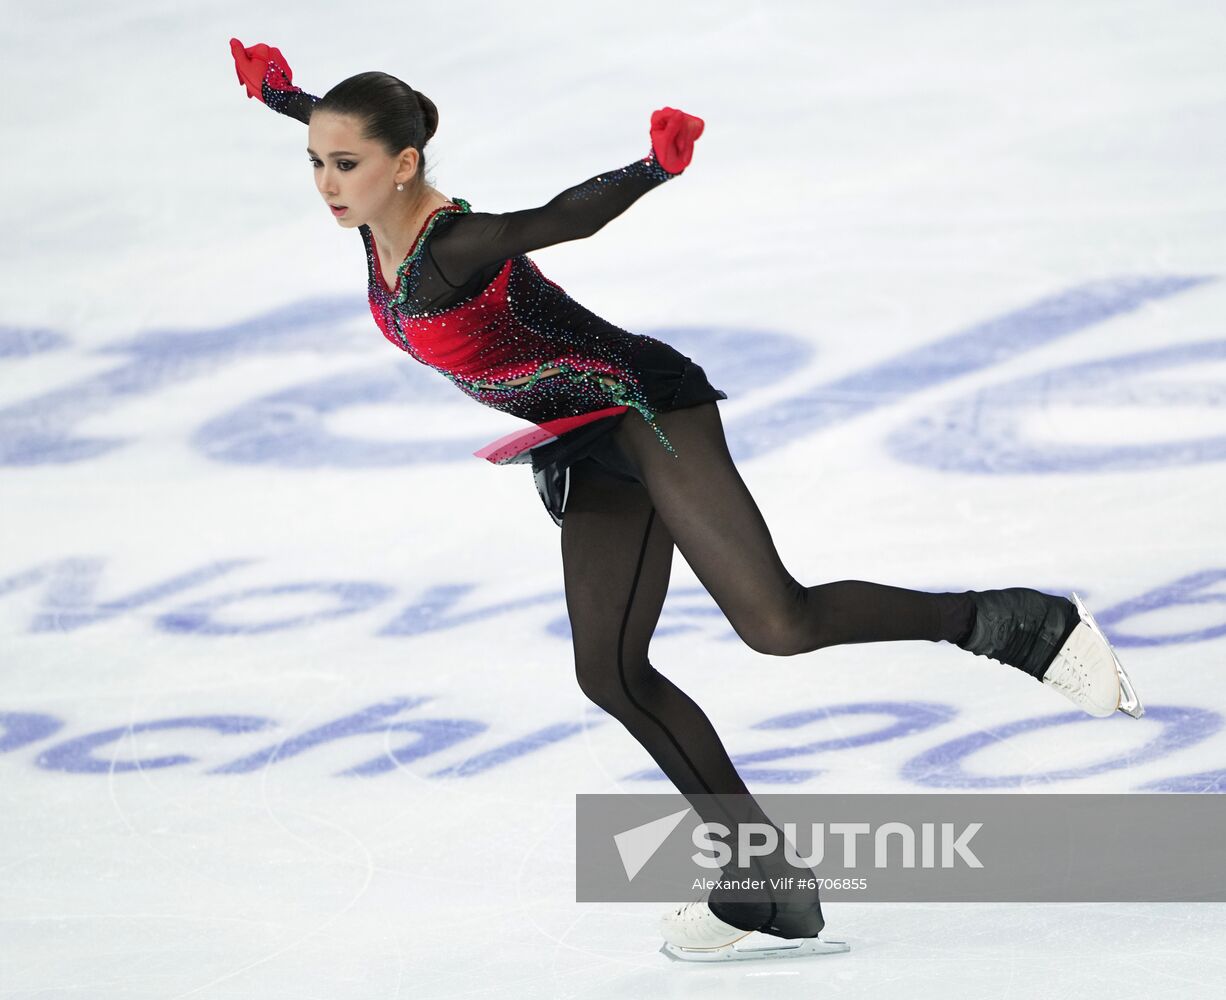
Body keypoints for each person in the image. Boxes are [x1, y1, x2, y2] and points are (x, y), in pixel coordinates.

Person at [228, 39, 1145, 961]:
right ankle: (763, 880)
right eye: (315, 162)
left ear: (404, 165)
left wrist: (652, 169)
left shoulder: (453, 247)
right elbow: (338, 126)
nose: (327, 183)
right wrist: (282, 95)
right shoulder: (373, 220)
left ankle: (1019, 626)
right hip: (583, 434)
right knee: (610, 672)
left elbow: (562, 219)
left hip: (647, 408)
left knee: (777, 623)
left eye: (344, 164)